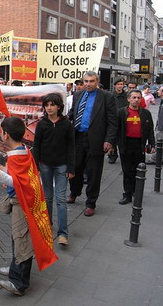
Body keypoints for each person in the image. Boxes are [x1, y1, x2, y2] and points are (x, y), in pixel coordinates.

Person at [0, 117, 56, 296]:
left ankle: (19, 283)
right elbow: (23, 180)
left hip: (22, 204)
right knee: (18, 238)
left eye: (1, 131)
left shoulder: (17, 156)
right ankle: (14, 269)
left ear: (6, 135)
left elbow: (18, 183)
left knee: (22, 241)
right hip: (24, 202)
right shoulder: (24, 151)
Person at [67, 71, 117, 217]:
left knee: (94, 172)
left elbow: (112, 122)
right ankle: (74, 193)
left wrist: (109, 140)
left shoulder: (107, 97)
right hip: (77, 138)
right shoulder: (77, 95)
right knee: (75, 168)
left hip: (96, 139)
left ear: (97, 82)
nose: (88, 84)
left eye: (92, 81)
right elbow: (73, 113)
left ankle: (90, 202)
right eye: (86, 81)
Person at [33, 93, 75, 245]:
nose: (49, 108)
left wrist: (71, 168)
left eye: (52, 105)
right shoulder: (42, 124)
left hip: (62, 165)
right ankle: (47, 226)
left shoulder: (67, 124)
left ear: (59, 106)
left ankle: (63, 233)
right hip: (45, 165)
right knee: (48, 198)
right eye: (47, 105)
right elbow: (36, 146)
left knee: (61, 199)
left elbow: (71, 147)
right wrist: (35, 166)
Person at [116, 90, 155, 205]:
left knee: (138, 170)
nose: (136, 100)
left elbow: (150, 130)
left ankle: (135, 190)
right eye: (134, 97)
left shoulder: (146, 113)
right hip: (126, 144)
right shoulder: (121, 113)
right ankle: (127, 194)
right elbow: (116, 130)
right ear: (128, 99)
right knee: (127, 170)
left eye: (138, 98)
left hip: (139, 144)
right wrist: (113, 145)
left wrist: (151, 144)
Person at [147, 86, 163, 164]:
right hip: (161, 126)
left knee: (159, 143)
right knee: (159, 144)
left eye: (159, 90)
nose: (157, 91)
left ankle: (154, 159)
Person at [108, 79, 128, 164]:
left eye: (121, 84)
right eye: (118, 84)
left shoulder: (127, 95)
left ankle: (123, 155)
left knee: (122, 138)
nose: (120, 86)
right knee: (112, 138)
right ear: (115, 85)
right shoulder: (110, 95)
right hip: (113, 119)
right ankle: (112, 155)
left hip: (124, 119)